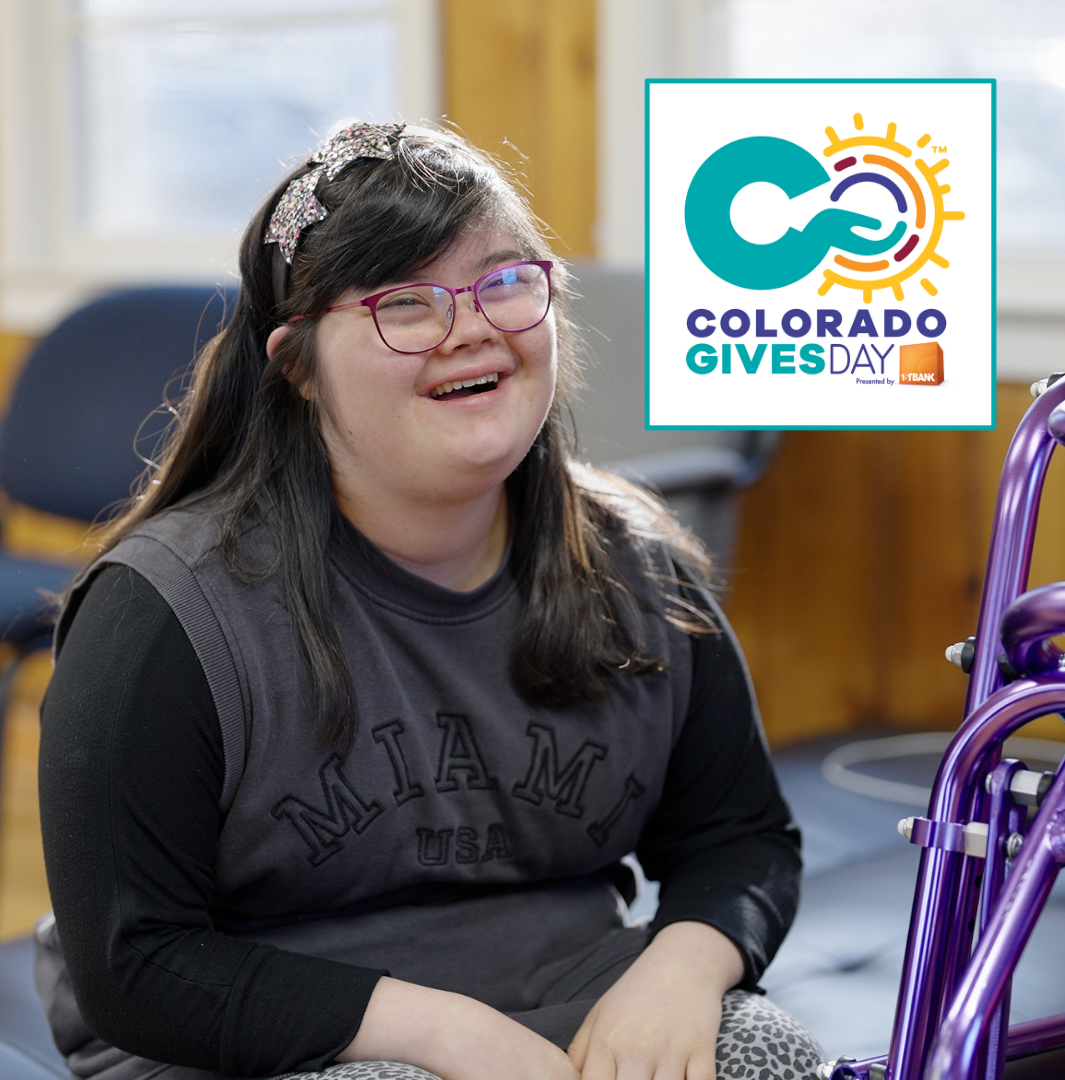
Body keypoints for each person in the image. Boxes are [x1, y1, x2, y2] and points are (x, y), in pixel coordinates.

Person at [36, 122, 822, 1080]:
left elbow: (740, 838)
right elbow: (138, 965)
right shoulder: (165, 614)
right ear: (298, 370)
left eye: (504, 281)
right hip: (257, 1037)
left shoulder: (640, 565)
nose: (471, 328)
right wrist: (452, 1035)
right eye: (405, 303)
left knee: (768, 1056)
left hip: (563, 986)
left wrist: (685, 970)